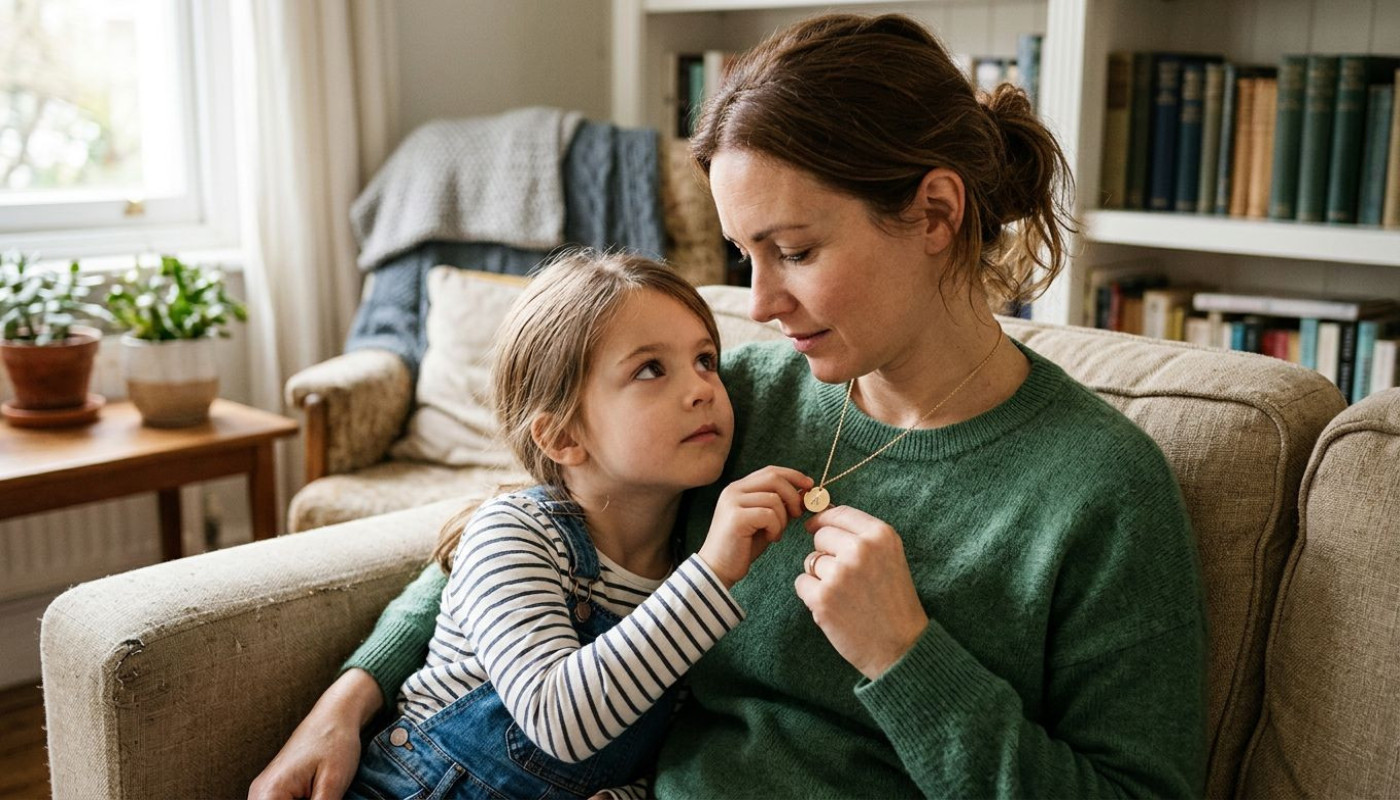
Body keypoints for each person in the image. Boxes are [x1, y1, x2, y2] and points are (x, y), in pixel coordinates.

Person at [251, 12, 1208, 800]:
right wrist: (347, 699)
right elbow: (515, 543)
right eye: (745, 256)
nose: (760, 303)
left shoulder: (1100, 490)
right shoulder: (734, 400)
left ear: (935, 213)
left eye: (794, 251)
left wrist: (907, 657)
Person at [334, 250, 810, 800]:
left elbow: (667, 743)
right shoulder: (514, 535)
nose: (703, 387)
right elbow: (556, 717)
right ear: (563, 437)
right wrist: (711, 572)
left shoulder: (687, 564)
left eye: (705, 360)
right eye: (650, 369)